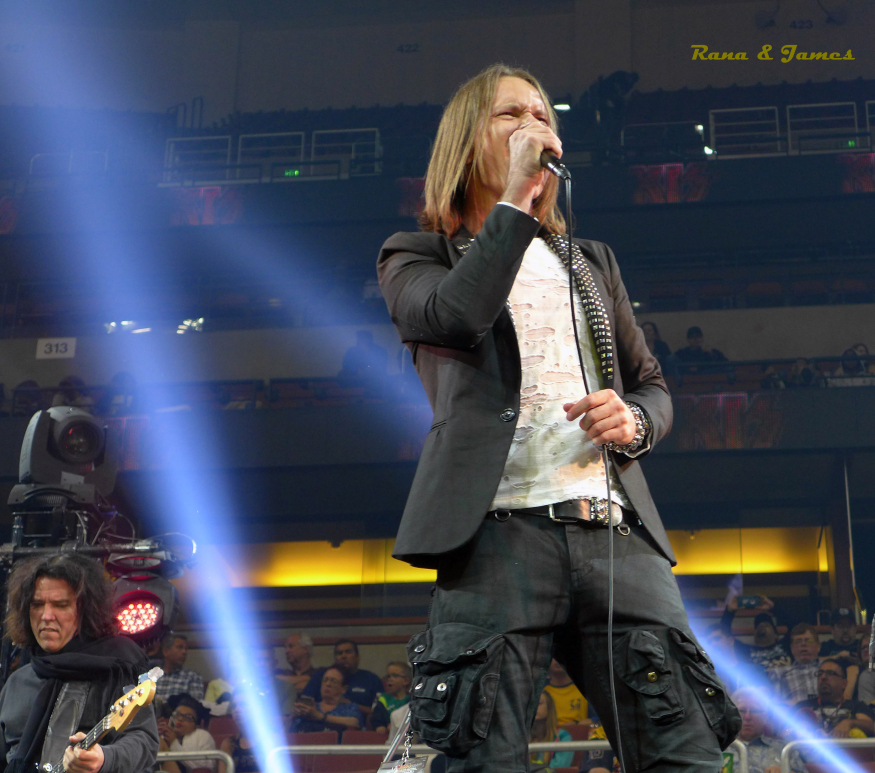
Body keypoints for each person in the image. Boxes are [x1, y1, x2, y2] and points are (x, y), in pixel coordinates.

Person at [376, 63, 740, 772]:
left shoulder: (591, 261)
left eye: (543, 115)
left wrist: (633, 420)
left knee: (685, 753)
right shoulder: (415, 255)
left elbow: (653, 386)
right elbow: (456, 315)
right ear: (466, 140)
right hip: (494, 537)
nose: (534, 126)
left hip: (614, 531)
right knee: (483, 757)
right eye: (511, 114)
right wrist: (514, 198)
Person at [0, 552, 159, 773]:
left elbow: (144, 740)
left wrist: (104, 758)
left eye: (60, 605)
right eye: (37, 604)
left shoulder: (117, 664)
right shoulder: (17, 682)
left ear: (85, 610)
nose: (46, 615)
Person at [726, 687, 805, 773]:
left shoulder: (784, 749)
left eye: (754, 711)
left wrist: (786, 771)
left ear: (765, 717)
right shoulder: (719, 748)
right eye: (741, 711)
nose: (747, 717)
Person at [792, 658, 875, 739]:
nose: (823, 677)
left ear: (844, 683)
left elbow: (871, 726)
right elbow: (786, 731)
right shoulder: (802, 706)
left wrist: (849, 723)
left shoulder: (856, 706)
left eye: (830, 673)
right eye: (820, 673)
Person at [299, 639, 382, 718]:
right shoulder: (321, 676)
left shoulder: (371, 679)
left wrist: (352, 705)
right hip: (319, 722)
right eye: (339, 653)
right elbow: (304, 702)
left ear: (358, 657)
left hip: (357, 724)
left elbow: (380, 713)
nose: (343, 656)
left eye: (348, 652)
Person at [290, 666, 364, 735]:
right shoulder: (311, 708)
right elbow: (289, 733)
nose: (328, 684)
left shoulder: (349, 708)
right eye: (325, 680)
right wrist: (292, 717)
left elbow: (355, 723)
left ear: (343, 689)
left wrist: (321, 716)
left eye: (333, 681)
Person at [158, 695, 217, 772]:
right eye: (177, 715)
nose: (180, 719)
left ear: (197, 724)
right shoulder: (163, 735)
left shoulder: (202, 736)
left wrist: (174, 743)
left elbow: (204, 768)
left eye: (188, 717)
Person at [771, 623, 822, 704]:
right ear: (792, 648)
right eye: (798, 641)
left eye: (808, 640)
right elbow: (775, 704)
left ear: (818, 646)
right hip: (794, 710)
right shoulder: (779, 673)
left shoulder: (828, 668)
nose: (803, 644)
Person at [155, 633, 206, 703]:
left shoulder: (192, 676)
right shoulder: (152, 676)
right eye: (180, 647)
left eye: (186, 649)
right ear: (165, 652)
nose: (184, 652)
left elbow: (195, 705)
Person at [528, 691, 572, 771]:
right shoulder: (520, 736)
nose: (534, 707)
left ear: (549, 708)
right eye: (530, 704)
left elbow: (560, 767)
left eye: (539, 703)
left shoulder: (563, 736)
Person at [218, 694, 258, 773]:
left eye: (242, 704)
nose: (237, 709)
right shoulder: (229, 744)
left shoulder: (271, 741)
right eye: (234, 706)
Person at [543, 659, 589, 727]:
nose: (557, 660)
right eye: (555, 656)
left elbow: (597, 718)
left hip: (580, 731)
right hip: (551, 732)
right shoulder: (540, 691)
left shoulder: (585, 688)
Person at [371, 662, 411, 733]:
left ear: (406, 681)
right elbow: (377, 718)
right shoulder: (383, 699)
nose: (390, 679)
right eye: (388, 676)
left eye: (395, 676)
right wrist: (380, 726)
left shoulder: (413, 700)